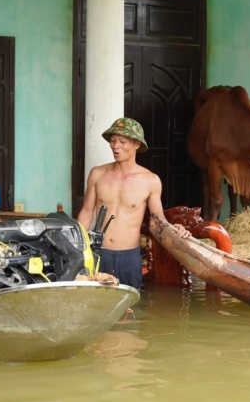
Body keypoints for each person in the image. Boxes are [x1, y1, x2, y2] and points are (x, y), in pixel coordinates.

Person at [77, 117, 191, 289]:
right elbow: (86, 212)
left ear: (137, 144)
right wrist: (75, 246)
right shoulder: (97, 174)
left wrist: (177, 230)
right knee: (95, 307)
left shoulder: (150, 181)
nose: (116, 146)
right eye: (113, 141)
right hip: (98, 253)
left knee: (130, 311)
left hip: (129, 257)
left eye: (122, 142)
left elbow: (158, 219)